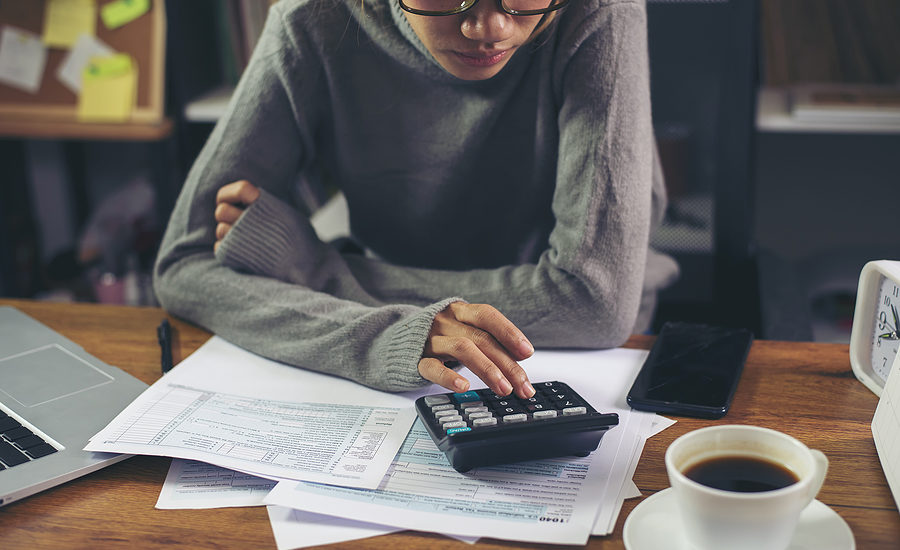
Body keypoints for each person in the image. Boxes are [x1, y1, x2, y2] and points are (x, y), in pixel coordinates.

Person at [153, 0, 678, 400]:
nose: (490, 27)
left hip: (569, 351)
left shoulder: (599, 12)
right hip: (396, 345)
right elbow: (185, 264)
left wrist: (319, 272)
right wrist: (388, 335)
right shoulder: (313, 19)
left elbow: (594, 303)